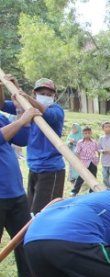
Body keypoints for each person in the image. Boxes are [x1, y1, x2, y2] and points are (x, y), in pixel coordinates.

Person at [0, 75, 43, 277]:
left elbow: (23, 138)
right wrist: (22, 119)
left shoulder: (1, 116)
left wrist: (19, 108)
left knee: (23, 237)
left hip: (14, 191)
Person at [16, 78, 65, 214]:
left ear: (54, 96)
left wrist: (29, 100)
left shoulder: (57, 111)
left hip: (51, 170)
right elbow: (5, 105)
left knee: (43, 213)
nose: (46, 97)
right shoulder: (29, 111)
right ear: (35, 93)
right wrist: (14, 87)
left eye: (49, 94)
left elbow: (48, 115)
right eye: (42, 93)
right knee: (30, 211)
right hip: (34, 167)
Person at [70, 126, 99, 197]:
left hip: (93, 162)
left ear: (91, 133)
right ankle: (74, 191)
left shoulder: (94, 142)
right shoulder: (80, 142)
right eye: (85, 133)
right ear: (83, 134)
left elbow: (97, 151)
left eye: (89, 133)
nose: (87, 135)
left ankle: (92, 191)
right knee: (81, 177)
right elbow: (77, 152)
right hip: (84, 163)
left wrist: (97, 159)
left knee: (93, 177)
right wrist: (79, 161)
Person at [98, 121, 110, 190]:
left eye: (109, 127)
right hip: (104, 161)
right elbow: (99, 148)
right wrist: (103, 151)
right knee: (105, 177)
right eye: (106, 127)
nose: (108, 128)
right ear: (103, 129)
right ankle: (108, 190)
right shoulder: (101, 138)